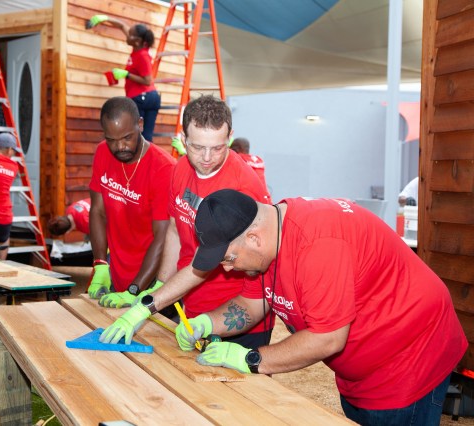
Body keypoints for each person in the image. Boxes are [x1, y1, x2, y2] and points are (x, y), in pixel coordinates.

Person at [111, 188, 466, 425]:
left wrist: (252, 359)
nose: (228, 268)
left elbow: (328, 339)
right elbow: (253, 304)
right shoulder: (268, 243)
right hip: (363, 365)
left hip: (411, 354)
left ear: (254, 237)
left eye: (230, 258)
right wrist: (206, 324)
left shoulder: (318, 245)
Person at [100, 95, 274, 349]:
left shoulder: (241, 188)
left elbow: (205, 263)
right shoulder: (180, 169)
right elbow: (173, 230)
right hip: (193, 305)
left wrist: (152, 302)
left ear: (230, 137)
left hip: (237, 315)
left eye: (217, 148)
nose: (206, 157)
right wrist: (161, 284)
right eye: (196, 147)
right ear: (183, 139)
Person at [88, 96, 175, 303]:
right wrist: (100, 263)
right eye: (112, 139)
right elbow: (97, 211)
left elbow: (162, 237)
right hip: (117, 271)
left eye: (127, 137)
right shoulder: (102, 152)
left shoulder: (164, 168)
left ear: (141, 125)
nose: (120, 147)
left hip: (152, 279)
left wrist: (135, 289)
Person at [87, 15, 161, 142]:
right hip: (145, 96)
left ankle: (142, 161)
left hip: (143, 97)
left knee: (140, 136)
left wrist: (126, 75)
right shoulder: (137, 47)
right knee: (144, 137)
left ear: (137, 41)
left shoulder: (142, 56)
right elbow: (122, 26)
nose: (127, 36)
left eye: (130, 34)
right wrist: (104, 18)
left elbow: (148, 80)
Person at [230, 137, 272, 204]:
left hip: (249, 203)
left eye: (232, 148)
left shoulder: (238, 159)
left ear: (236, 149)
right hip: (265, 201)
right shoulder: (258, 160)